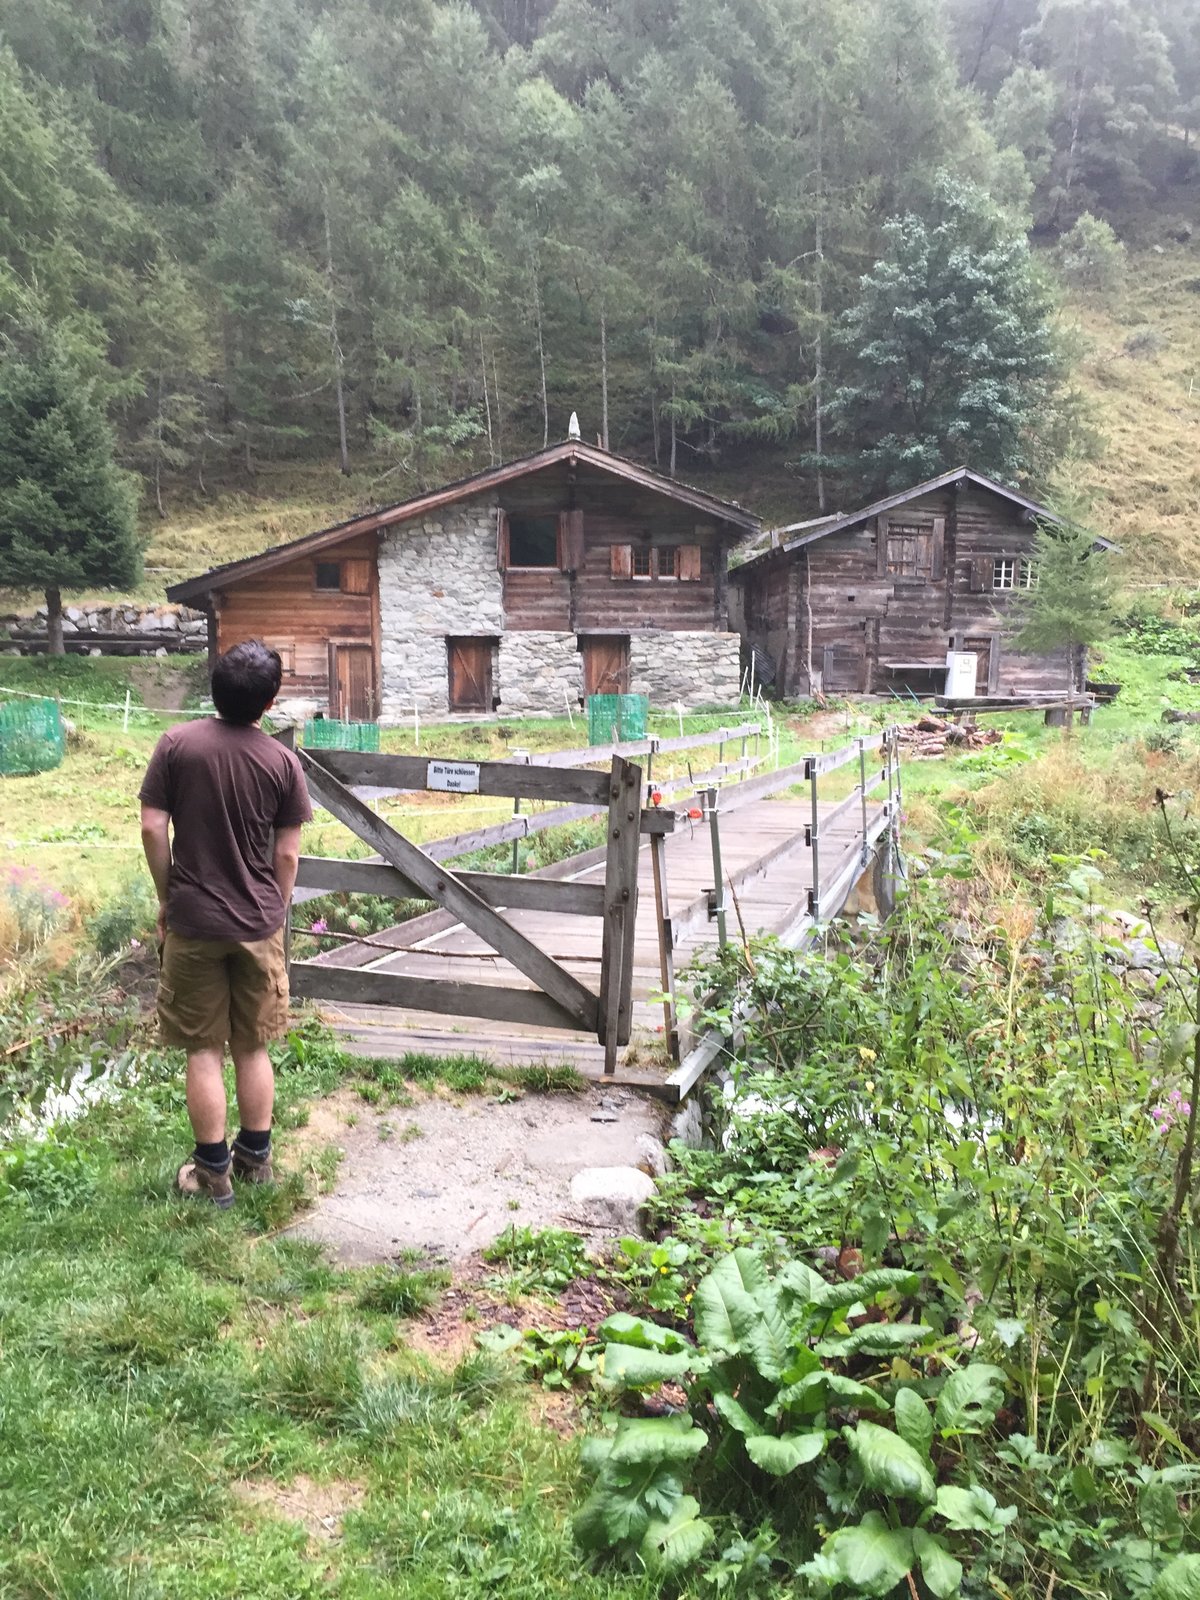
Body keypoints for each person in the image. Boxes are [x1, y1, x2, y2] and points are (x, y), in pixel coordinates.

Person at [139, 640, 311, 1207]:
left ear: (214, 689)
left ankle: (213, 1174)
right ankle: (256, 1161)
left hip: (193, 922)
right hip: (257, 923)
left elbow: (152, 827)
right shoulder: (282, 762)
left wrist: (167, 898)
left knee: (203, 1049)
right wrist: (274, 909)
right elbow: (287, 854)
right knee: (253, 1046)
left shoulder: (176, 745)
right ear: (270, 701)